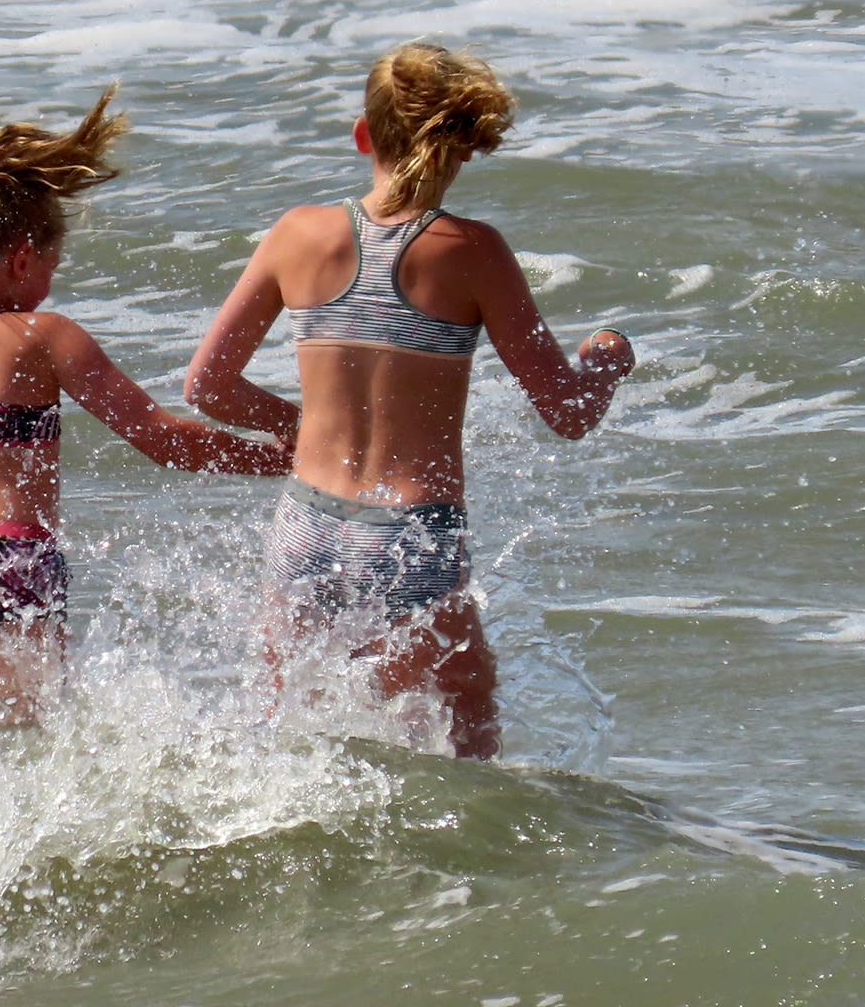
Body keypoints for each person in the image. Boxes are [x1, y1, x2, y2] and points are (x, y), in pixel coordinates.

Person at [183, 43, 634, 758]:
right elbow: (567, 413)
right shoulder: (473, 251)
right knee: (465, 729)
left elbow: (206, 386)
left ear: (363, 135)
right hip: (410, 537)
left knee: (291, 733)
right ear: (461, 146)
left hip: (305, 527)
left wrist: (301, 431)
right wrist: (608, 364)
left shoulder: (297, 234)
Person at [0, 87, 291, 722]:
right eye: (51, 264)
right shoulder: (43, 336)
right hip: (9, 554)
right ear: (23, 256)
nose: (49, 281)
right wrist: (277, 460)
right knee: (27, 734)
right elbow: (165, 438)